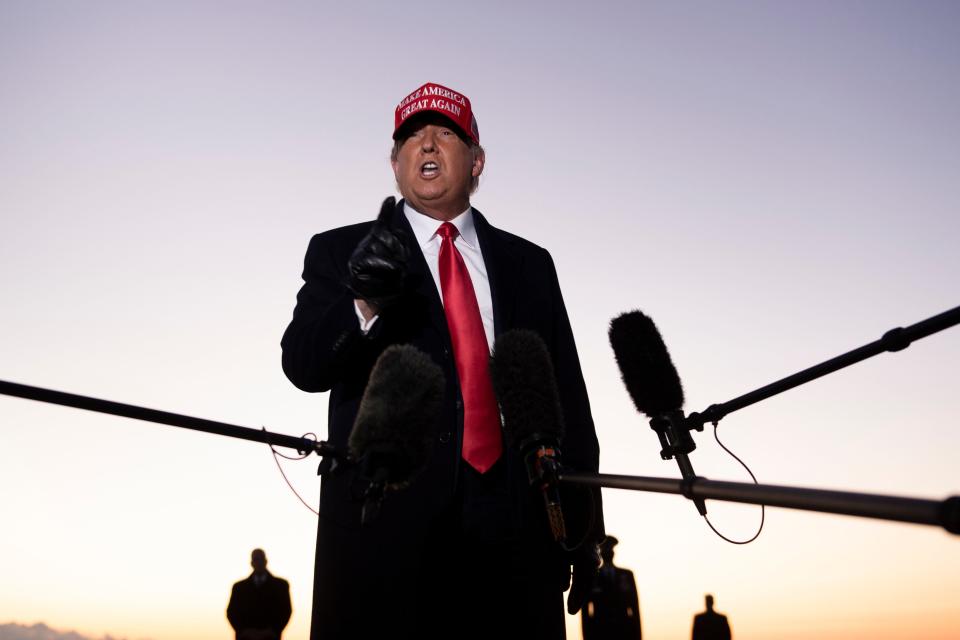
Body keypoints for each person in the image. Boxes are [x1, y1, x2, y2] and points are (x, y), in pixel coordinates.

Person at [281, 81, 604, 640]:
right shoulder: (340, 250)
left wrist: (583, 525)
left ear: (477, 161)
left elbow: (568, 399)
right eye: (411, 137)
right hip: (387, 528)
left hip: (515, 521)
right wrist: (363, 301)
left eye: (445, 133)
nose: (426, 145)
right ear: (394, 163)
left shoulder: (531, 264)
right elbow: (303, 365)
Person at [582, 535, 642, 639]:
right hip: (600, 632)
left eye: (610, 549)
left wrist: (637, 634)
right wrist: (587, 635)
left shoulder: (626, 575)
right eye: (605, 549)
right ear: (600, 552)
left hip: (624, 632)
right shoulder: (592, 576)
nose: (608, 552)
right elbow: (585, 611)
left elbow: (634, 606)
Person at [226, 548, 292, 640]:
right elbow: (232, 612)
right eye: (256, 559)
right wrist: (245, 631)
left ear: (265, 561)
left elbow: (286, 611)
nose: (258, 562)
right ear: (251, 563)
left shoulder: (281, 585)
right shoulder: (238, 587)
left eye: (260, 559)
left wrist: (271, 631)